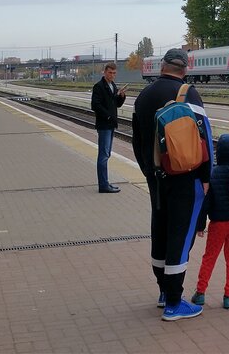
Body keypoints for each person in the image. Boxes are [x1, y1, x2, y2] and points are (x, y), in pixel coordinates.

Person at [132, 48, 212, 321]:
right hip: (185, 180)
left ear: (162, 66)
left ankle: (164, 292)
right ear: (185, 69)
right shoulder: (189, 95)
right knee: (181, 235)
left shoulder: (144, 96)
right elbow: (205, 141)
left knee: (161, 230)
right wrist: (205, 178)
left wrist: (148, 172)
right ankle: (175, 303)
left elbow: (136, 139)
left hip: (156, 179)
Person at [191, 133, 229, 310]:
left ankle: (200, 293)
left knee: (210, 257)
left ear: (218, 153)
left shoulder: (213, 174)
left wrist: (200, 225)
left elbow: (206, 203)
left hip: (217, 224)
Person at [90, 62, 126, 193]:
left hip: (111, 124)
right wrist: (108, 117)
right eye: (110, 73)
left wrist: (121, 96)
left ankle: (106, 183)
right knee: (104, 155)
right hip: (104, 124)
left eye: (114, 73)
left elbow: (116, 104)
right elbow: (95, 105)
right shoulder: (99, 87)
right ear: (104, 72)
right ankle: (103, 185)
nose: (112, 75)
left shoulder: (112, 86)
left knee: (107, 154)